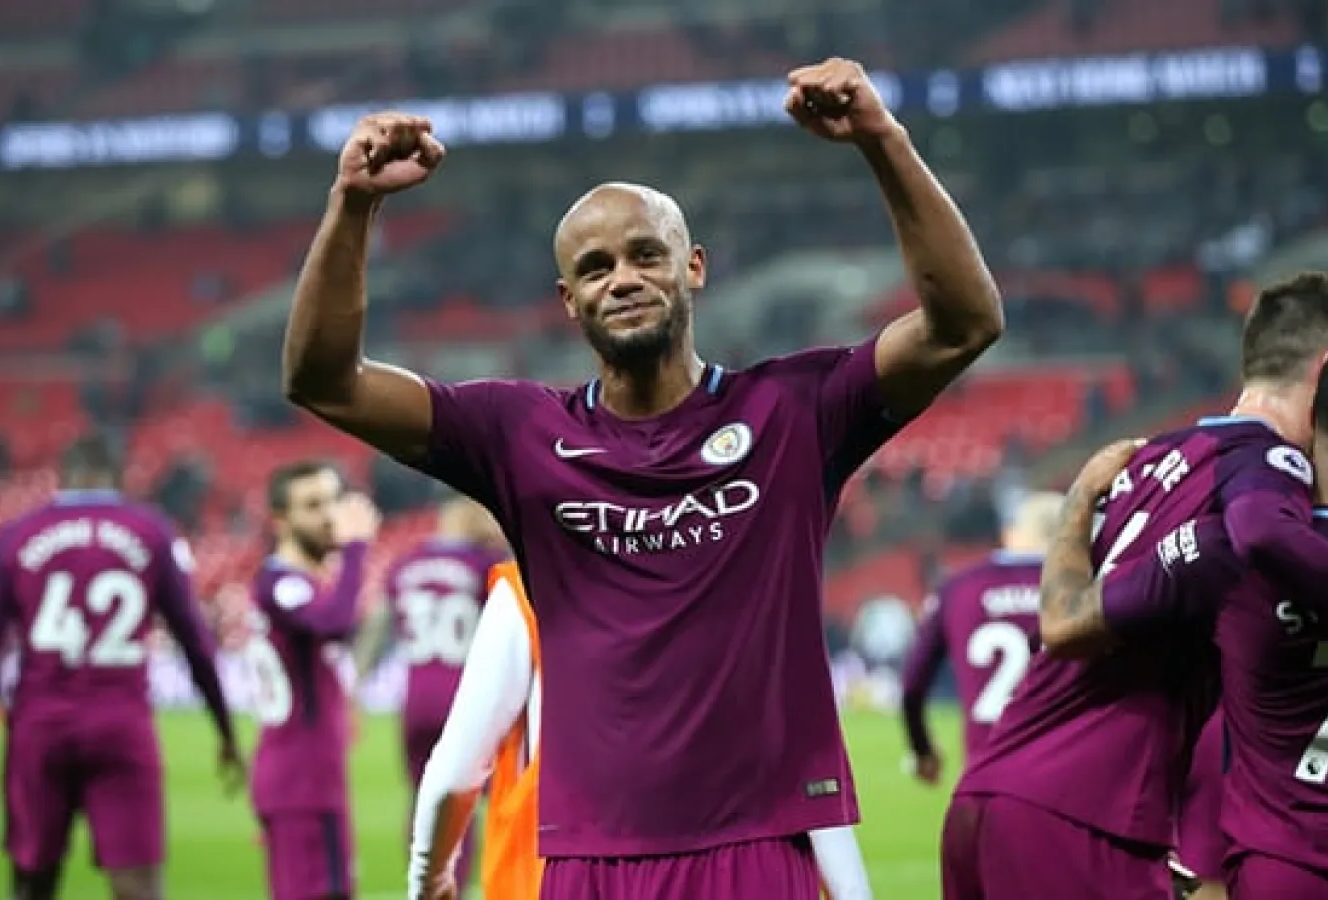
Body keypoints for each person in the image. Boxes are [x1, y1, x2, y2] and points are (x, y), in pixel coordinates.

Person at [283, 56, 1004, 897]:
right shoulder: (519, 433)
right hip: (591, 859)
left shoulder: (792, 411)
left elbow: (964, 324)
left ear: (692, 266)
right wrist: (353, 205)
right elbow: (323, 381)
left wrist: (883, 140)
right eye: (594, 268)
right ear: (567, 300)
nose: (621, 278)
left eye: (643, 255)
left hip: (758, 847)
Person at [941, 273, 1328, 900]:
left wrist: (1080, 496)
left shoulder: (1161, 457)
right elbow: (1260, 535)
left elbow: (1066, 623)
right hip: (1083, 815)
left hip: (995, 796)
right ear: (1327, 373)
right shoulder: (1268, 473)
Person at [407, 561, 875, 900]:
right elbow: (803, 772)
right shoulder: (747, 580)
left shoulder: (529, 588)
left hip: (559, 877)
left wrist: (429, 882)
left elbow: (454, 773)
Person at [0, 434, 243, 900]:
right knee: (138, 885)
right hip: (122, 723)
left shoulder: (16, 535)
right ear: (120, 478)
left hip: (40, 724)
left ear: (62, 477)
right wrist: (226, 733)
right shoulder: (150, 531)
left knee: (33, 879)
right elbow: (195, 641)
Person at [353, 493, 506, 889]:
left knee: (427, 799)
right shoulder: (484, 563)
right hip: (472, 696)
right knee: (491, 793)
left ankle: (425, 886)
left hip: (417, 698)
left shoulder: (407, 563)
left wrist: (353, 688)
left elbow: (376, 628)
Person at [245, 461, 380, 900]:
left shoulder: (301, 583)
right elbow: (333, 623)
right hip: (301, 783)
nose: (329, 515)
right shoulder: (280, 583)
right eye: (312, 505)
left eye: (333, 501)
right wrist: (357, 547)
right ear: (280, 519)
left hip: (311, 779)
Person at [899, 491, 1063, 783]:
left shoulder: (959, 587)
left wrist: (922, 750)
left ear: (1011, 534)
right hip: (1063, 773)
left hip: (985, 773)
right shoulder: (1086, 588)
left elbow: (912, 686)